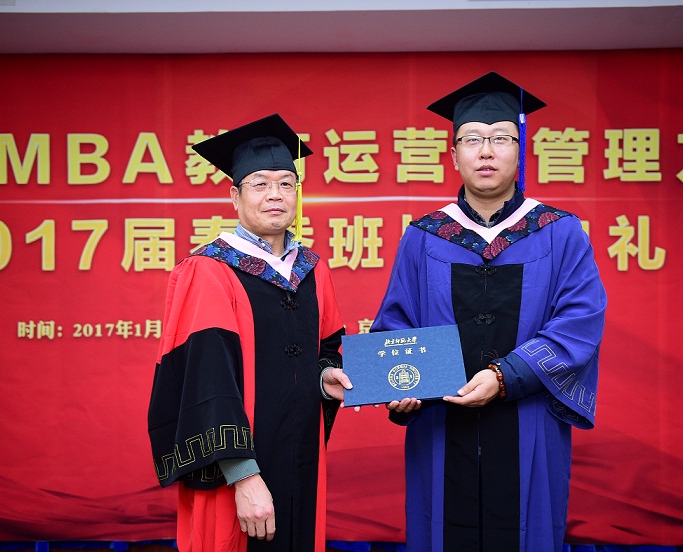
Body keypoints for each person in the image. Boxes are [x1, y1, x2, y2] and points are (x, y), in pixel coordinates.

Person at [372, 72, 607, 551]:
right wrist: (399, 386)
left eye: (500, 138)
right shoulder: (424, 236)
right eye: (472, 139)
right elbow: (396, 323)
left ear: (520, 151)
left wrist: (506, 377)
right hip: (441, 426)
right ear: (453, 154)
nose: (486, 151)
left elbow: (579, 322)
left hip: (529, 419)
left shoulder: (559, 231)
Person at [147, 113, 352, 552]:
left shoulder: (312, 270)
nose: (275, 194)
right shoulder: (209, 269)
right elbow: (207, 382)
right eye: (260, 184)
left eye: (286, 184)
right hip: (238, 475)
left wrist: (324, 377)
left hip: (300, 458)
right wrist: (244, 475)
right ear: (235, 197)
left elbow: (327, 348)